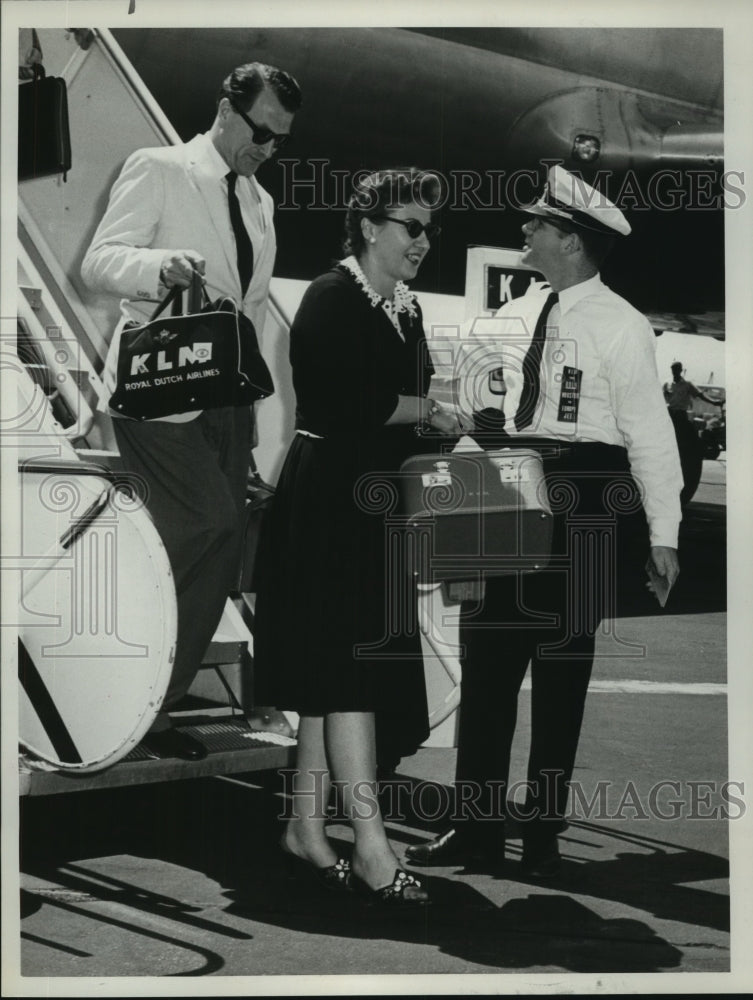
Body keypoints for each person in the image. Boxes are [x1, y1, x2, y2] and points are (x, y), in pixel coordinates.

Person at [405, 165, 683, 878]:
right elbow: (475, 401)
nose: (523, 230)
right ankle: (476, 827)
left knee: (561, 671)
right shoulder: (513, 312)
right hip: (503, 482)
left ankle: (541, 834)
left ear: (570, 241)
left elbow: (649, 434)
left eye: (537, 224)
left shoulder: (620, 325)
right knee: (487, 665)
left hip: (584, 492)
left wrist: (663, 535)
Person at [81, 62, 302, 760]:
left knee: (226, 543)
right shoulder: (161, 167)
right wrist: (159, 265)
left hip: (223, 398)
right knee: (204, 518)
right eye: (261, 131)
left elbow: (255, 312)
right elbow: (98, 262)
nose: (267, 148)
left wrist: (258, 418)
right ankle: (106, 662)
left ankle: (155, 705)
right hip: (157, 389)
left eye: (280, 140)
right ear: (226, 110)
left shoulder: (259, 203)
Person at [253, 168, 461, 903]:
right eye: (412, 227)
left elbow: (411, 388)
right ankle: (371, 848)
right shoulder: (329, 295)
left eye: (429, 230)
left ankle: (305, 830)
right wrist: (425, 410)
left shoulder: (402, 306)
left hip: (373, 505)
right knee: (349, 674)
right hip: (327, 502)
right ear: (370, 227)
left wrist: (433, 417)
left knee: (328, 677)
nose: (423, 242)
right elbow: (342, 400)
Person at [663, 361, 724, 505]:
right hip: (668, 415)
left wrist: (714, 402)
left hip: (681, 416)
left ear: (680, 370)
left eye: (677, 369)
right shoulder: (667, 384)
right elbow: (661, 398)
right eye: (673, 369)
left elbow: (701, 395)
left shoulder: (688, 385)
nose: (675, 372)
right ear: (671, 370)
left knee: (692, 442)